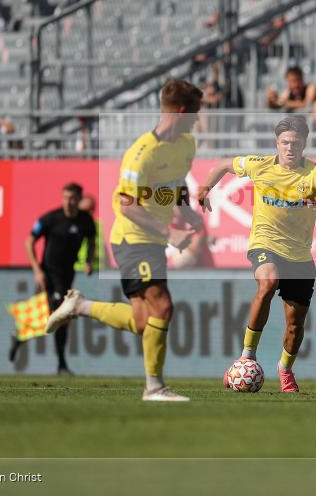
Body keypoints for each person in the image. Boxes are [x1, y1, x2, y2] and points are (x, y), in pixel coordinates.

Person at [44, 78, 204, 402]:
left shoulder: (187, 144)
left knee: (144, 321)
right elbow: (127, 206)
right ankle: (154, 388)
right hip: (133, 239)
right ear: (183, 112)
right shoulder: (140, 154)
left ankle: (80, 306)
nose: (199, 120)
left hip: (153, 241)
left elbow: (176, 186)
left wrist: (186, 212)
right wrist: (170, 232)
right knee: (163, 305)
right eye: (197, 113)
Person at [198, 115, 316, 393]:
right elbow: (223, 164)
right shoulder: (260, 165)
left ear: (304, 143)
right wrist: (205, 187)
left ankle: (285, 370)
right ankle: (246, 356)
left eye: (295, 143)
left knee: (294, 325)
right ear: (277, 143)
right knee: (267, 283)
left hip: (300, 256)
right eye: (284, 143)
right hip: (265, 243)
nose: (289, 148)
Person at [18, 183, 96, 376]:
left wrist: (88, 261)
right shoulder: (51, 218)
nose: (68, 202)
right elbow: (29, 241)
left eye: (72, 198)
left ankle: (20, 340)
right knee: (60, 315)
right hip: (48, 273)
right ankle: (61, 364)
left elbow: (91, 240)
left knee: (52, 317)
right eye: (65, 197)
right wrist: (37, 270)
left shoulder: (86, 220)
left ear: (79, 199)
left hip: (67, 274)